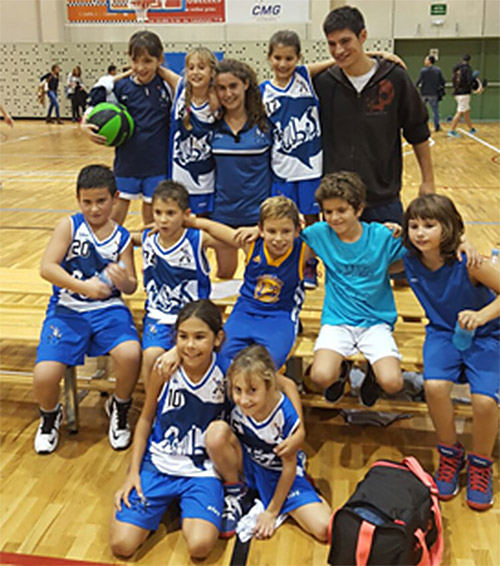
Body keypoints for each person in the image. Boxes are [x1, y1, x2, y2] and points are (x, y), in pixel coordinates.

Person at [33, 165, 142, 454]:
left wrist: (124, 280)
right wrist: (85, 288)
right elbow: (47, 268)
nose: (94, 208)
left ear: (115, 198)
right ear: (78, 199)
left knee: (131, 354)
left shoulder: (121, 237)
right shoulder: (69, 226)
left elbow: (132, 286)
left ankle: (119, 406)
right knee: (44, 375)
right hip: (68, 308)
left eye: (101, 201)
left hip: (108, 308)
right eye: (87, 201)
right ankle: (50, 415)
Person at [402, 194, 499, 511]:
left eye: (429, 225)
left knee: (484, 401)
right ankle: (449, 453)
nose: (420, 232)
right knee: (434, 387)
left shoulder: (469, 261)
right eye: (414, 225)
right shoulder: (409, 258)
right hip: (443, 333)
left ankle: (480, 463)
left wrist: (482, 316)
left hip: (486, 334)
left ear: (448, 229)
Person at [110, 300, 228, 560]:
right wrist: (132, 474)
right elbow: (145, 419)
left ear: (218, 338)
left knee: (200, 547)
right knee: (121, 545)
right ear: (175, 338)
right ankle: (162, 505)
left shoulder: (226, 372)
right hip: (158, 466)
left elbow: (277, 382)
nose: (190, 345)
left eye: (200, 337)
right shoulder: (163, 370)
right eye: (183, 337)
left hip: (201, 471)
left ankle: (226, 495)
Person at [313, 6, 434, 225]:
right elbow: (291, 72)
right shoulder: (323, 83)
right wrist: (373, 54)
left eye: (345, 41)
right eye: (332, 44)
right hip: (337, 203)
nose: (338, 50)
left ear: (363, 36)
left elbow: (418, 130)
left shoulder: (394, 78)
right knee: (340, 261)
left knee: (390, 259)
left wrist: (428, 180)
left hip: (383, 199)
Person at [300, 171, 405, 407]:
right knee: (320, 376)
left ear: (358, 209)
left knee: (393, 383)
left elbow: (418, 252)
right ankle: (341, 372)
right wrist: (259, 230)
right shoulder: (319, 234)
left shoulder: (381, 235)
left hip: (375, 322)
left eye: (341, 210)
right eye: (328, 212)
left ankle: (373, 375)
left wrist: (461, 242)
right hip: (338, 320)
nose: (334, 218)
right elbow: (283, 234)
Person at [205, 344, 331, 541]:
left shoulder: (284, 415)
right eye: (238, 390)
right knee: (215, 434)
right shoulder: (238, 381)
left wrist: (271, 512)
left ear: (270, 385)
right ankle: (237, 491)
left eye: (252, 391)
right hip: (248, 465)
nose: (244, 399)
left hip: (279, 473)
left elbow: (288, 468)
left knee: (323, 529)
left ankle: (308, 495)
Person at [184, 195, 311, 369]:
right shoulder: (251, 244)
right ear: (261, 230)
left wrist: (302, 220)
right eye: (272, 231)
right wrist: (182, 220)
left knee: (268, 366)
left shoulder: (304, 250)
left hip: (280, 315)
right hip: (245, 311)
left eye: (286, 231)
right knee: (221, 360)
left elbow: (331, 231)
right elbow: (212, 227)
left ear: (297, 231)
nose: (278, 238)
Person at [137, 180, 231, 386]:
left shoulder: (197, 238)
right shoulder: (147, 238)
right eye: (158, 213)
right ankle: (154, 409)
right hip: (160, 316)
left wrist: (197, 222)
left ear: (185, 213)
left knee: (207, 359)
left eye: (171, 213)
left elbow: (233, 240)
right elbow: (119, 237)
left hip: (195, 317)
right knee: (152, 356)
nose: (163, 220)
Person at [261, 30, 335, 287]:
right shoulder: (263, 92)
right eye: (278, 57)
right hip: (280, 168)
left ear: (298, 58)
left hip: (310, 168)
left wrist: (377, 54)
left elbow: (340, 59)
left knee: (313, 222)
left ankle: (310, 266)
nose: (283, 64)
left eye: (289, 58)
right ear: (269, 58)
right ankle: (287, 265)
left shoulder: (305, 77)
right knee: (282, 221)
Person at [82, 31, 173, 226]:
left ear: (160, 59)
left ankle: (150, 257)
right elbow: (96, 99)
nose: (140, 67)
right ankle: (111, 255)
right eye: (135, 60)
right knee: (115, 219)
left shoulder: (167, 87)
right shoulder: (120, 87)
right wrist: (84, 124)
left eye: (148, 61)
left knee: (152, 221)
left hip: (157, 166)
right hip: (126, 164)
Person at [211, 59, 273, 278]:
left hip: (257, 217)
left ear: (246, 84)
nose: (228, 94)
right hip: (223, 216)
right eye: (221, 88)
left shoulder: (265, 124)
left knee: (260, 278)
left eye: (233, 86)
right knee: (225, 274)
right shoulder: (210, 127)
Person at [158, 48, 219, 216]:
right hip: (178, 175)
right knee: (179, 222)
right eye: (191, 68)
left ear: (212, 71)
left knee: (203, 223)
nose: (195, 72)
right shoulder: (181, 90)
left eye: (201, 67)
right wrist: (110, 80)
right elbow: (156, 67)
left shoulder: (218, 101)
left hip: (205, 178)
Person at [415, 55, 446, 133]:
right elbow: (443, 81)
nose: (424, 61)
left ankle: (420, 126)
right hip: (434, 93)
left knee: (421, 110)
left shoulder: (423, 71)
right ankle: (437, 126)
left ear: (429, 61)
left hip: (424, 93)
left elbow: (418, 81)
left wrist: (414, 87)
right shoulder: (438, 70)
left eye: (426, 59)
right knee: (435, 111)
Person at [448, 54, 476, 138]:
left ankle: (471, 128)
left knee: (466, 111)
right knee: (460, 112)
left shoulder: (457, 68)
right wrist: (474, 79)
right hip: (464, 93)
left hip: (457, 92)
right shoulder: (467, 69)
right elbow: (469, 81)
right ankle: (451, 130)